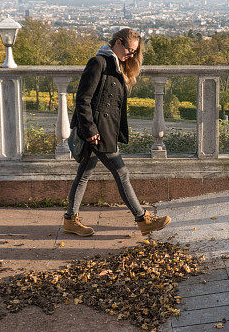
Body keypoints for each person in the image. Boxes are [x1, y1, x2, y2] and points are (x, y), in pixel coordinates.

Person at [63, 28, 171, 237]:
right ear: (118, 43)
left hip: (104, 131)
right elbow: (82, 99)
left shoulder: (115, 65)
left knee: (84, 174)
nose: (130, 55)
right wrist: (91, 130)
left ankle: (70, 220)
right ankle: (143, 219)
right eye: (129, 51)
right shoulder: (99, 63)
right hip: (96, 133)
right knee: (122, 172)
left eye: (134, 53)